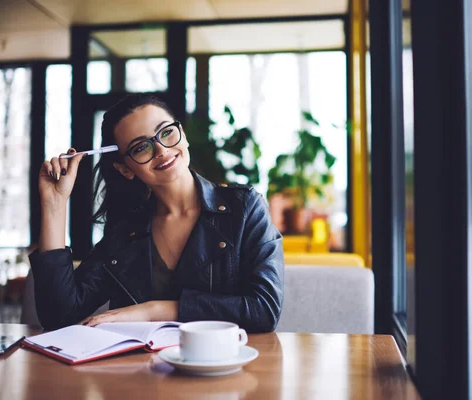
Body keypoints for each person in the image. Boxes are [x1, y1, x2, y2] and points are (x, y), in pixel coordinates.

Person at [29, 94, 284, 333]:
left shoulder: (244, 209)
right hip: (142, 374)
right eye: (141, 147)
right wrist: (55, 204)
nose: (161, 149)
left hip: (222, 369)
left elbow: (264, 310)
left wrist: (156, 310)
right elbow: (59, 316)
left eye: (167, 133)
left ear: (182, 134)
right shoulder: (125, 230)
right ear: (124, 169)